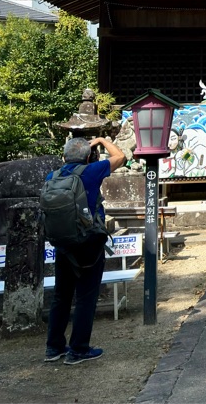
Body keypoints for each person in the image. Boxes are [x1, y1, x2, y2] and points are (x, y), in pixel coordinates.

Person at [45, 135, 126, 365]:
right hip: (88, 243)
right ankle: (78, 349)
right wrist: (100, 139)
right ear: (89, 156)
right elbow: (120, 156)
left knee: (61, 296)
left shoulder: (54, 176)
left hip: (62, 245)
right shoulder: (90, 172)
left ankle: (54, 348)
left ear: (64, 156)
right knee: (86, 297)